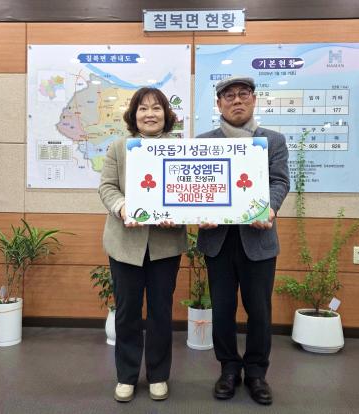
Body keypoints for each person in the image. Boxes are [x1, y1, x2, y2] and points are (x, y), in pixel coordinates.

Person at [197, 76, 290, 406]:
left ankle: (256, 373)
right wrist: (199, 211)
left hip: (258, 239)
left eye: (243, 94)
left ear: (253, 99)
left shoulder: (273, 141)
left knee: (260, 312)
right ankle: (228, 370)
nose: (237, 100)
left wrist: (270, 209)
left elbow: (279, 182)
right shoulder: (203, 143)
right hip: (218, 240)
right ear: (219, 104)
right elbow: (196, 187)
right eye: (229, 96)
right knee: (222, 310)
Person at [98, 87, 186, 403]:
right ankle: (126, 376)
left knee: (161, 312)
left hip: (166, 244)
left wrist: (177, 215)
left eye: (156, 108)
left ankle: (159, 375)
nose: (150, 114)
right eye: (143, 108)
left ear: (167, 114)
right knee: (127, 312)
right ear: (134, 115)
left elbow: (186, 192)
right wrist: (123, 207)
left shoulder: (181, 149)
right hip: (125, 244)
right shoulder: (118, 148)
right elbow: (107, 187)